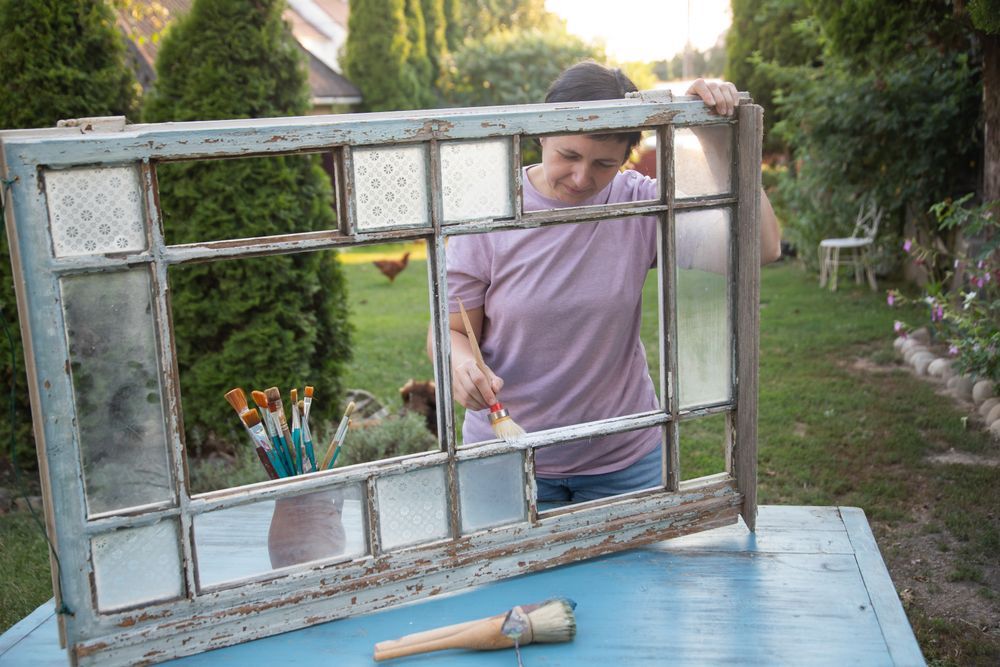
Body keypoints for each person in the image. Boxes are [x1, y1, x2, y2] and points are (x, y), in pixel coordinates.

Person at [432, 61, 781, 505]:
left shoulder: (641, 204)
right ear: (541, 134)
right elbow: (453, 329)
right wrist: (461, 365)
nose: (582, 178)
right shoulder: (489, 211)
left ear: (626, 158)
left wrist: (717, 138)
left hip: (625, 460)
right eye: (569, 156)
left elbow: (761, 247)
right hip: (504, 457)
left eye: (603, 164)